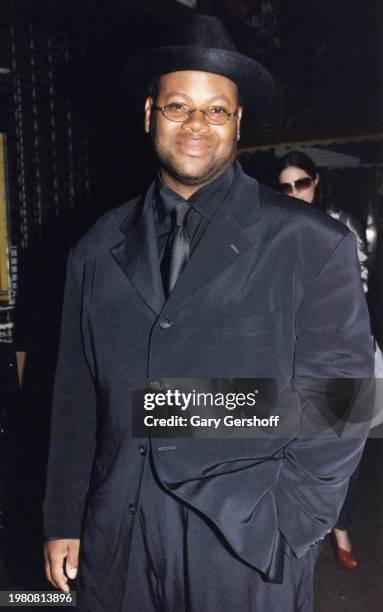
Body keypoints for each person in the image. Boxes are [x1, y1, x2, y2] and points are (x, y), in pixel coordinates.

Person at [43, 16, 374, 612]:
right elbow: (76, 398)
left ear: (237, 123)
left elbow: (341, 397)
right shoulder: (94, 247)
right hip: (118, 536)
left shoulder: (308, 242)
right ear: (149, 114)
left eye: (216, 110)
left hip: (244, 542)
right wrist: (63, 518)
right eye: (179, 106)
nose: (198, 124)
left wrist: (291, 522)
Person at [275, 150, 370, 570]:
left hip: (342, 348)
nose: (294, 192)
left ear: (316, 182)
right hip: (291, 355)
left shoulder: (339, 228)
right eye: (285, 186)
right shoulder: (275, 230)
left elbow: (357, 296)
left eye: (301, 183)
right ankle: (308, 528)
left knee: (342, 446)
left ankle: (341, 528)